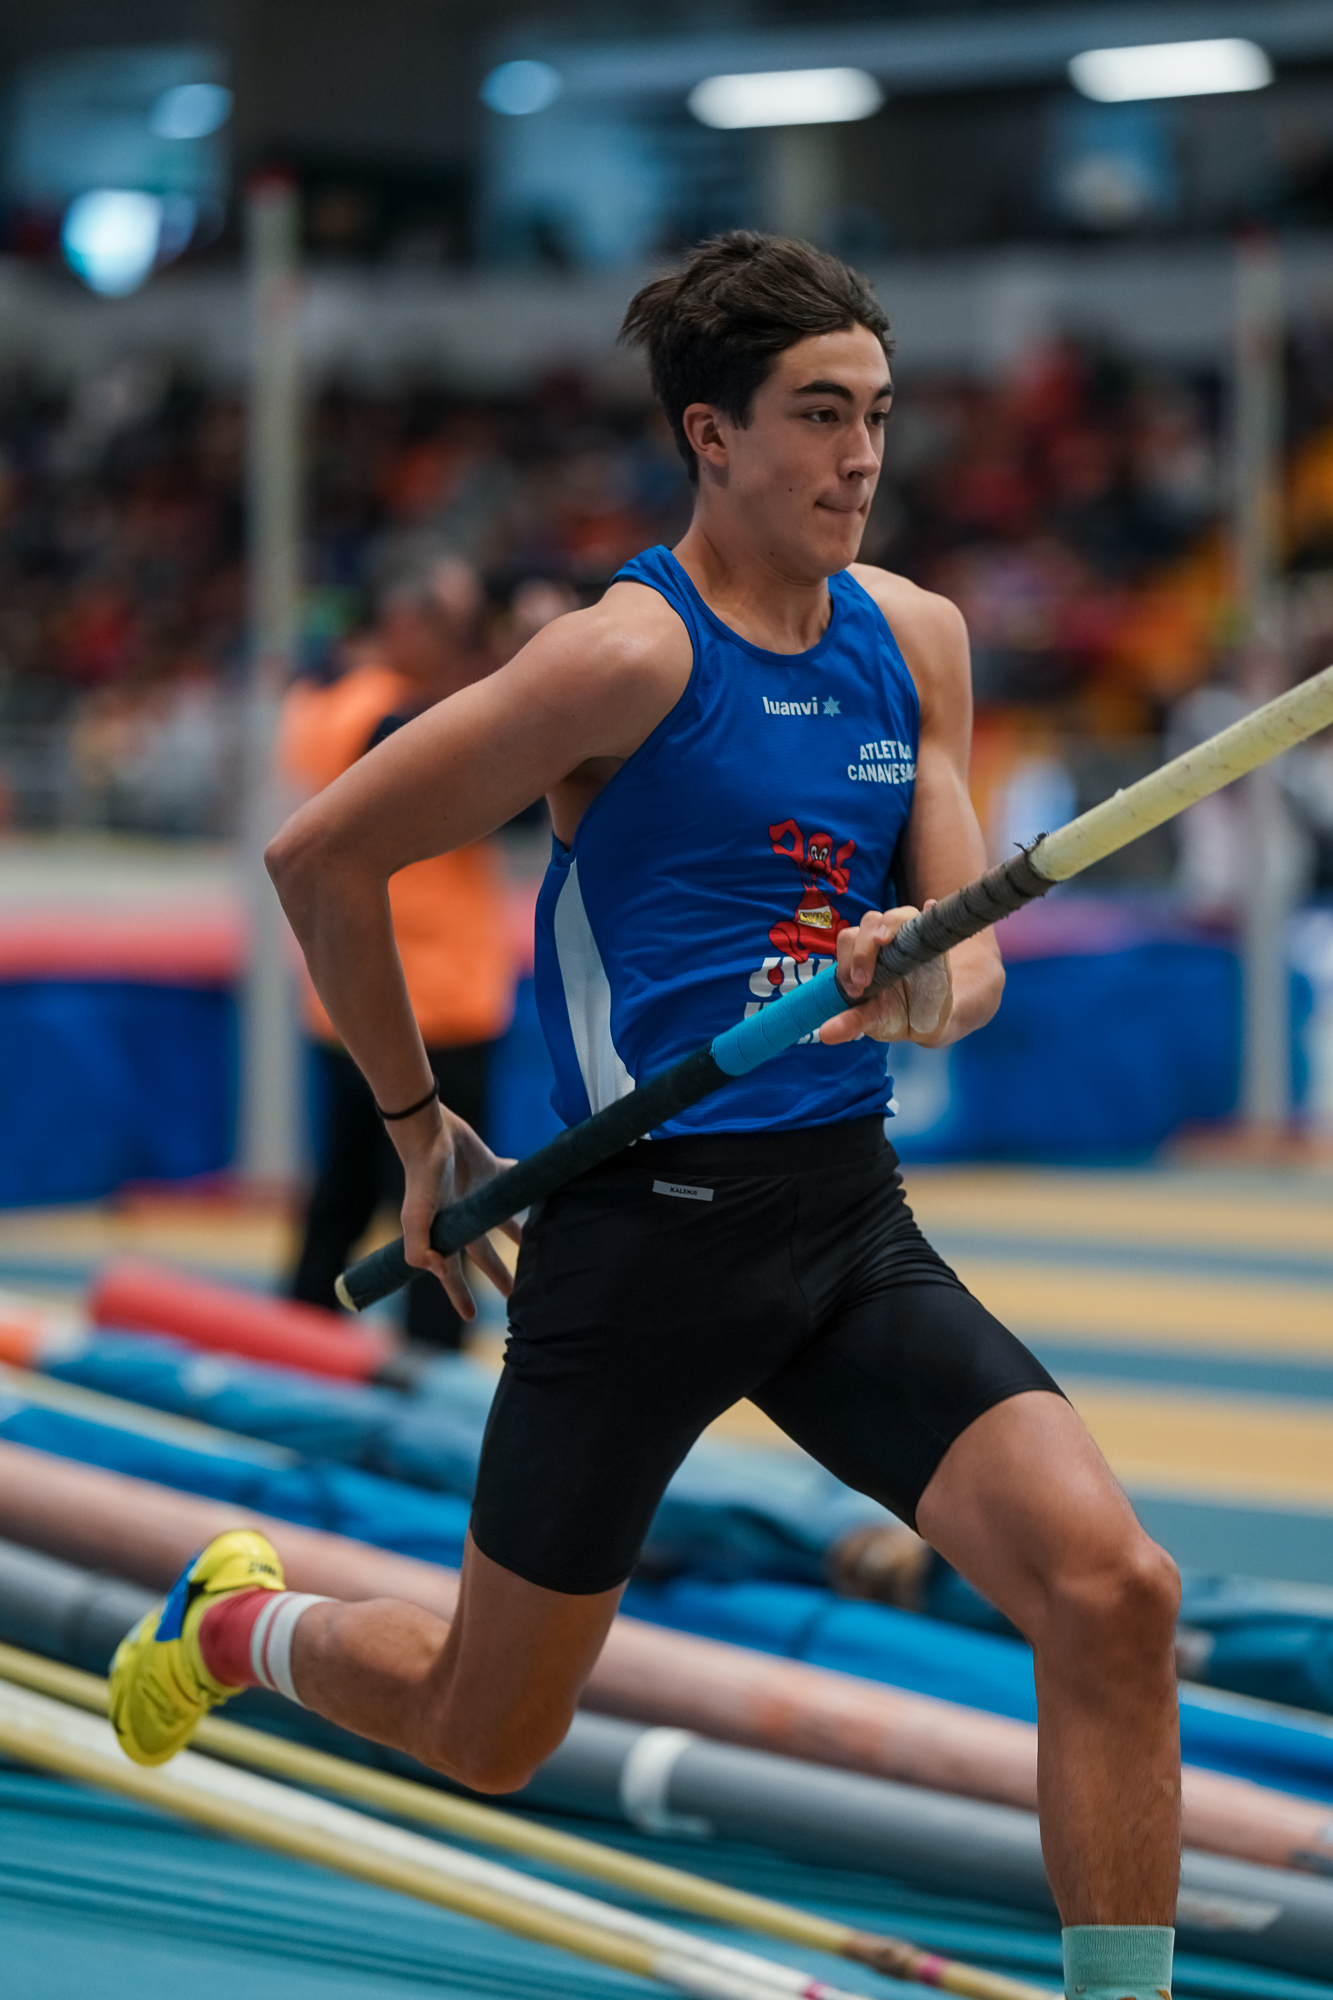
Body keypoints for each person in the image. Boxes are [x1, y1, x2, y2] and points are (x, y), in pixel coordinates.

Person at [111, 234, 1181, 2000]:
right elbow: (320, 859)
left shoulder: (912, 639)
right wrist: (415, 1129)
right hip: (636, 1251)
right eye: (818, 415)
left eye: (878, 415)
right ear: (710, 433)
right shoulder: (621, 659)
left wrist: (915, 977)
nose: (860, 457)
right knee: (486, 1732)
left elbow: (972, 962)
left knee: (1113, 1591)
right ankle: (235, 1623)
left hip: (844, 1226)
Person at [279, 549, 517, 1349]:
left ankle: (291, 1356)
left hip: (349, 1001)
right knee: (438, 1220)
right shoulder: (396, 723)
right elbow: (520, 776)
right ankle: (425, 1377)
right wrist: (529, 656)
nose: (464, 645)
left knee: (339, 1203)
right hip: (431, 1008)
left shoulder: (322, 705)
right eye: (456, 626)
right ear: (405, 623)